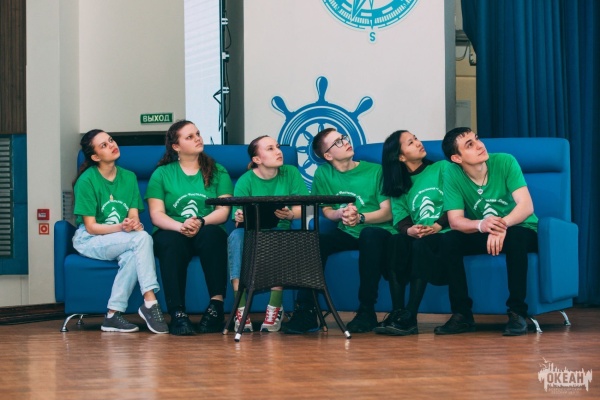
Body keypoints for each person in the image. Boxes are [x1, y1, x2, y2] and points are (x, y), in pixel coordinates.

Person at [281, 128, 396, 334]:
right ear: (328, 155)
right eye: (338, 142)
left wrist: (360, 217)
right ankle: (306, 312)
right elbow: (326, 210)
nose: (346, 142)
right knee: (313, 241)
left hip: (377, 230)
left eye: (343, 138)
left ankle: (367, 311)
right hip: (347, 230)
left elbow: (387, 212)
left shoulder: (375, 170)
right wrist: (340, 214)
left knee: (369, 235)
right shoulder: (323, 173)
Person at [440, 127, 538, 336]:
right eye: (470, 145)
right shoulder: (451, 173)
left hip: (521, 227)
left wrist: (502, 225)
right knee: (450, 240)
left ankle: (518, 313)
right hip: (487, 230)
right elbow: (455, 221)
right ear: (457, 158)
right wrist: (481, 225)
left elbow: (526, 206)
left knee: (516, 238)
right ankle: (462, 314)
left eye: (477, 139)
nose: (480, 145)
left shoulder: (505, 161)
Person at [72, 129, 168, 334]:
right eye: (104, 145)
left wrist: (133, 225)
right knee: (141, 239)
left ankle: (112, 314)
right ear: (95, 157)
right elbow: (91, 227)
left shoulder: (129, 177)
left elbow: (133, 216)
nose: (112, 145)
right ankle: (150, 301)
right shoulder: (87, 180)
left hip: (121, 238)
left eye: (111, 140)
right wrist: (122, 228)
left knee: (135, 252)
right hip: (90, 239)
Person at [146, 120, 233, 336]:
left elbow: (223, 212)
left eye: (198, 134)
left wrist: (200, 222)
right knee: (170, 242)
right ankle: (177, 313)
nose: (198, 139)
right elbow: (156, 215)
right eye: (190, 137)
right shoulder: (161, 174)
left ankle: (216, 307)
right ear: (176, 146)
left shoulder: (218, 171)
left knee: (213, 236)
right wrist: (181, 226)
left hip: (207, 226)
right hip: (173, 229)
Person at [376, 130, 459, 336]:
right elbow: (400, 218)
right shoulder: (400, 184)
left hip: (445, 232)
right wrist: (409, 230)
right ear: (400, 157)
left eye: (416, 139)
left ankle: (410, 316)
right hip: (420, 234)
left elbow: (457, 201)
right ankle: (398, 312)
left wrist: (438, 225)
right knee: (396, 241)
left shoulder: (443, 168)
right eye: (410, 143)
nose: (418, 143)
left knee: (420, 246)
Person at [228, 135, 309, 333]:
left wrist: (290, 214)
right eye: (270, 149)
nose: (279, 151)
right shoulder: (245, 180)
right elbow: (237, 217)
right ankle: (241, 309)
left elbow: (304, 207)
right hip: (251, 232)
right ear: (257, 159)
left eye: (278, 147)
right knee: (235, 237)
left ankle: (275, 307)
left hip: (279, 230)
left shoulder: (290, 172)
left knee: (278, 239)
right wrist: (241, 215)